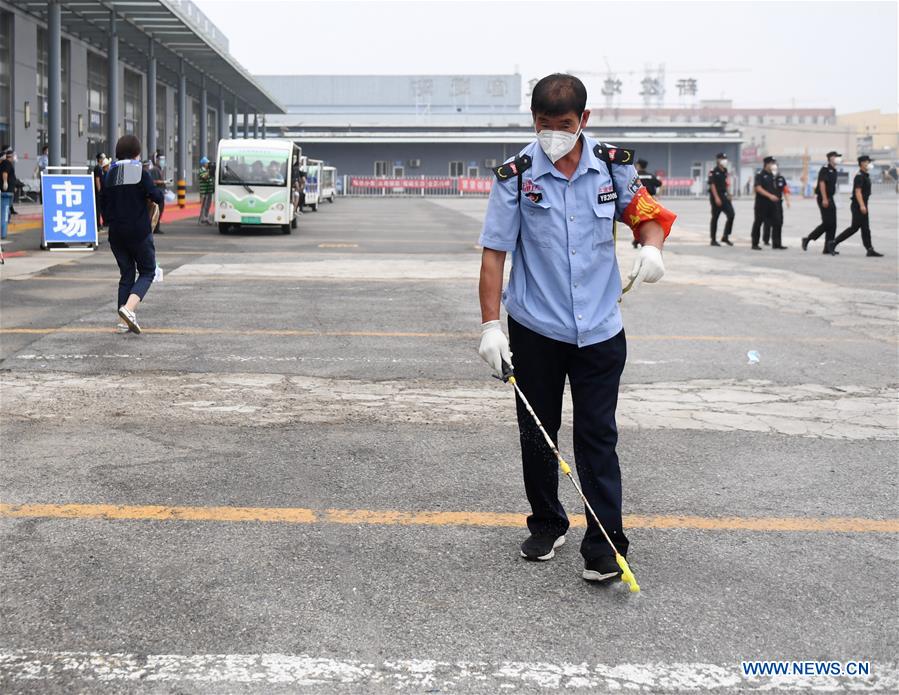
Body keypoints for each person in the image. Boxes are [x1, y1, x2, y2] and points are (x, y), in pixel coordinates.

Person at [477, 74, 675, 583]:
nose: (553, 135)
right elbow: (495, 254)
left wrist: (651, 247)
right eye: (544, 126)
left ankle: (605, 545)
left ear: (584, 120)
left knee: (597, 437)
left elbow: (647, 216)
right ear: (534, 121)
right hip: (535, 328)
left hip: (601, 329)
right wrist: (489, 326)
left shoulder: (612, 166)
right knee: (537, 432)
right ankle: (547, 521)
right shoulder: (516, 174)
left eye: (564, 126)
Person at [99, 134, 163, 335]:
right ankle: (129, 308)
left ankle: (123, 321)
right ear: (137, 152)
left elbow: (103, 204)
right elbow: (156, 196)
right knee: (147, 271)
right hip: (138, 231)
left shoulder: (110, 174)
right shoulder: (139, 172)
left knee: (126, 274)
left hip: (116, 233)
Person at [833, 155, 883, 257]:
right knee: (854, 228)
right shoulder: (859, 176)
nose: (869, 164)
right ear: (862, 163)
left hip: (862, 205)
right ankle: (833, 242)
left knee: (865, 228)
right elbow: (857, 191)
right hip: (858, 205)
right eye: (867, 162)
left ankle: (869, 249)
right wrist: (862, 206)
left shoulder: (865, 175)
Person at [802, 150, 841, 255]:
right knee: (828, 222)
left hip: (830, 198)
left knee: (833, 224)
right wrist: (824, 198)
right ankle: (808, 239)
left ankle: (828, 248)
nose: (838, 158)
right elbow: (822, 183)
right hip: (824, 197)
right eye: (836, 156)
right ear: (830, 158)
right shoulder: (825, 169)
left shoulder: (834, 170)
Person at [750, 156, 780, 250]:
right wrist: (770, 196)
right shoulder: (760, 174)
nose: (773, 165)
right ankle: (755, 243)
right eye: (772, 163)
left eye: (774, 163)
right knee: (758, 223)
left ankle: (776, 243)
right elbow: (758, 188)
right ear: (766, 164)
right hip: (762, 203)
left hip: (772, 204)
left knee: (777, 222)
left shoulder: (773, 175)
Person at [632, 159, 663, 248]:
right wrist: (658, 196)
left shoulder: (635, 176)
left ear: (638, 165)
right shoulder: (650, 176)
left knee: (638, 221)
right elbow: (661, 184)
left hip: (639, 201)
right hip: (650, 201)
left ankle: (637, 239)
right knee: (649, 221)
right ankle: (647, 240)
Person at [708, 153, 734, 246]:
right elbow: (712, 185)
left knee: (731, 214)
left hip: (724, 196)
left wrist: (729, 194)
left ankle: (725, 236)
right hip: (716, 196)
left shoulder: (725, 170)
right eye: (722, 158)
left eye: (725, 158)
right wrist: (716, 198)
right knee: (715, 217)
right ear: (718, 160)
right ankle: (713, 239)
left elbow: (726, 183)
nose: (724, 160)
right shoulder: (713, 171)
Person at [764, 163, 790, 249]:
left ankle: (777, 243)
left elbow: (785, 190)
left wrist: (787, 201)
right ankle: (767, 239)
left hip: (778, 203)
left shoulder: (781, 178)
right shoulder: (767, 178)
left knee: (779, 222)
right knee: (768, 222)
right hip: (768, 203)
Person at [148, 151, 167, 234]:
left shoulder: (159, 169)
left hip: (160, 192)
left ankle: (156, 227)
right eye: (161, 159)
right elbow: (153, 181)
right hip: (157, 193)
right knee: (157, 211)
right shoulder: (155, 169)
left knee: (160, 211)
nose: (163, 161)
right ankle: (155, 227)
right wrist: (163, 182)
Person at [1, 148, 20, 215]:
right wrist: (5, 182)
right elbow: (5, 173)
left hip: (10, 186)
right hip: (8, 187)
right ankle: (7, 214)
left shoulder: (8, 163)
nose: (15, 157)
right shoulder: (6, 163)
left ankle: (10, 211)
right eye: (14, 155)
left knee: (9, 201)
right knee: (7, 202)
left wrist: (14, 186)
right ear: (11, 156)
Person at [197, 156, 214, 225]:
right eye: (207, 163)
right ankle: (201, 219)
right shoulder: (201, 170)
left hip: (209, 191)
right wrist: (210, 172)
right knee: (204, 206)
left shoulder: (207, 170)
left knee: (208, 205)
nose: (208, 164)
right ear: (204, 164)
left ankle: (206, 218)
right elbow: (204, 177)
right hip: (204, 191)